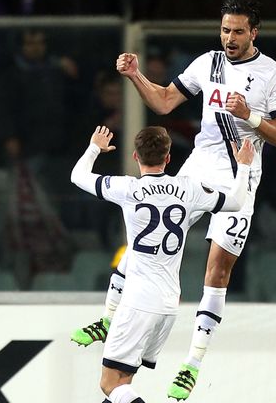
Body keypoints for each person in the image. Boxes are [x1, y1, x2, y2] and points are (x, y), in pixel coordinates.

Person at [73, 0, 276, 400]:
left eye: (238, 31)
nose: (229, 38)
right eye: (225, 29)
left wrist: (250, 115)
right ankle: (107, 318)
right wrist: (136, 76)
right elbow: (163, 101)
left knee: (217, 270)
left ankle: (192, 364)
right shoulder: (207, 63)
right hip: (198, 166)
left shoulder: (274, 74)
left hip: (241, 174)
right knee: (147, 229)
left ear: (254, 32)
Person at [70, 126, 254, 403]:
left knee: (109, 384)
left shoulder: (127, 188)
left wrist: (95, 146)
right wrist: (243, 167)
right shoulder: (189, 189)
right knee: (123, 382)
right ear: (168, 158)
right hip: (168, 304)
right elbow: (237, 200)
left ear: (135, 156)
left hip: (137, 302)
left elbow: (78, 176)